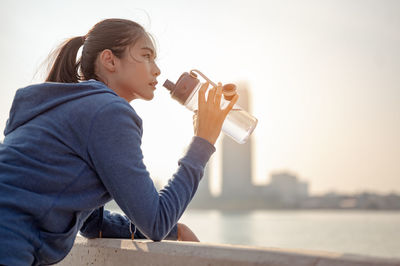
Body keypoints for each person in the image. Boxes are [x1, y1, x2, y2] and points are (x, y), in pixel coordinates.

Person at [0, 18, 238, 265]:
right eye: (146, 56)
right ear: (110, 60)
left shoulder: (64, 106)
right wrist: (203, 141)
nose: (156, 69)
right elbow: (156, 222)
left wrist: (173, 231)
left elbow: (89, 222)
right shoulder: (109, 111)